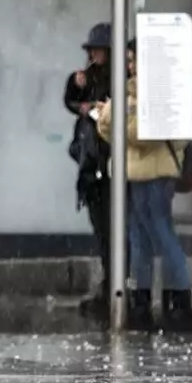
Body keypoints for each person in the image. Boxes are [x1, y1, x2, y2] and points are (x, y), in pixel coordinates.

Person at [96, 44, 192, 333]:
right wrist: (115, 117)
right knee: (139, 238)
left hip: (156, 175)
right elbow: (107, 129)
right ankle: (143, 303)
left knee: (160, 234)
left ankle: (179, 303)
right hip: (134, 174)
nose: (129, 66)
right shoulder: (130, 93)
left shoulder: (163, 93)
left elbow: (144, 134)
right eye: (128, 61)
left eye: (133, 60)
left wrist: (116, 118)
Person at [64, 23, 114, 319]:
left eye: (98, 50)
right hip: (91, 167)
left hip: (106, 166)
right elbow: (70, 102)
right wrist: (76, 86)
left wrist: (96, 108)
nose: (94, 55)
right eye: (91, 51)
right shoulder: (89, 76)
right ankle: (109, 286)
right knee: (102, 231)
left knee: (111, 231)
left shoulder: (116, 79)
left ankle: (115, 288)